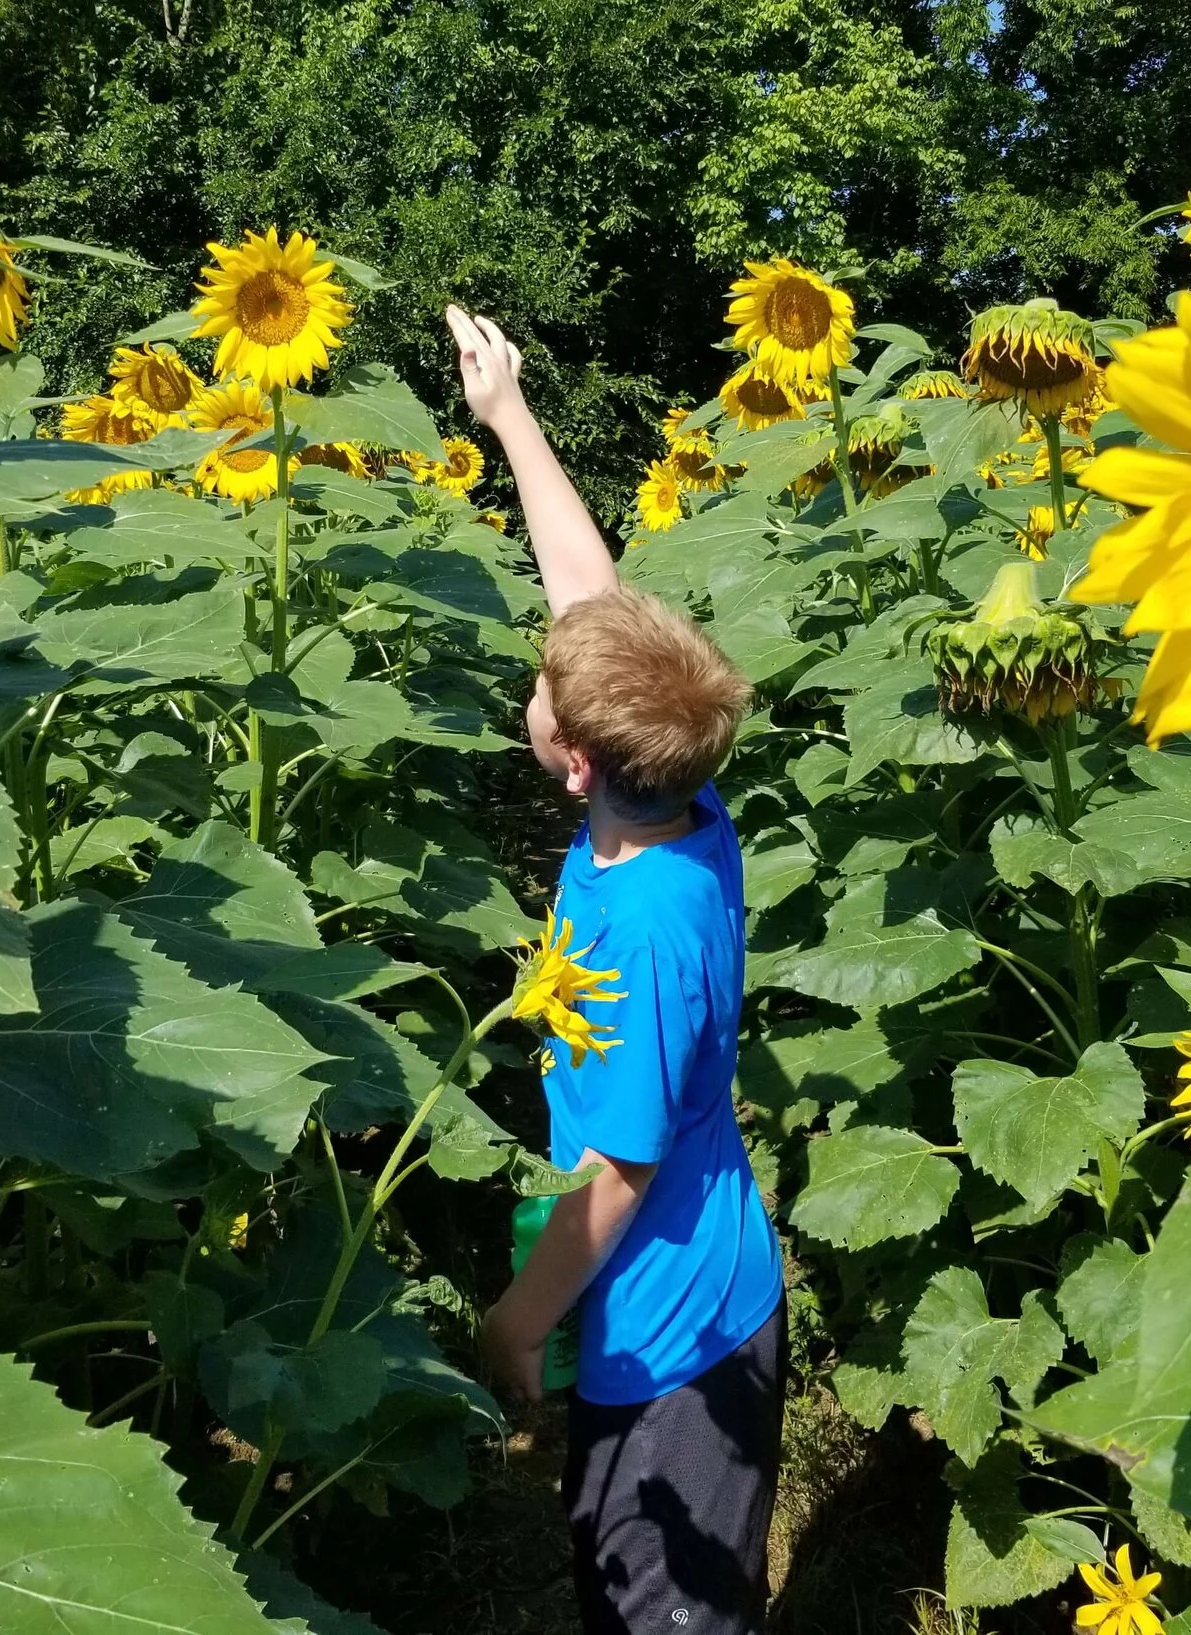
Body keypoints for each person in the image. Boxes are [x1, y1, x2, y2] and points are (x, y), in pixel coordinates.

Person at [449, 304, 785, 1635]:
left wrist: (517, 1324)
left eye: (542, 693)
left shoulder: (642, 934)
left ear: (575, 758)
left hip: (668, 1329)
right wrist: (508, 412)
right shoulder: (681, 803)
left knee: (654, 1602)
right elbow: (590, 603)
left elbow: (621, 1172)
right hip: (692, 1280)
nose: (534, 687)